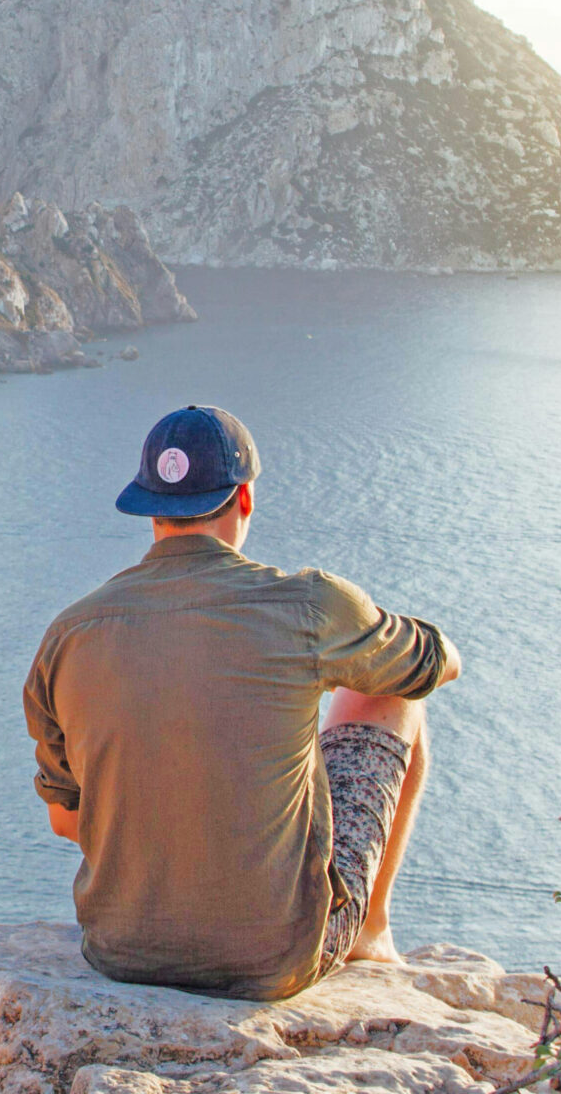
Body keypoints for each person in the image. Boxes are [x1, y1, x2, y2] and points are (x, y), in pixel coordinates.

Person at [23, 405, 460, 1000]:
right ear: (245, 499)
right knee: (394, 694)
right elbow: (433, 664)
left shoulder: (69, 634)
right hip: (273, 960)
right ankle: (370, 932)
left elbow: (66, 819)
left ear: (150, 508)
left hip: (121, 953)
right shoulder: (307, 607)